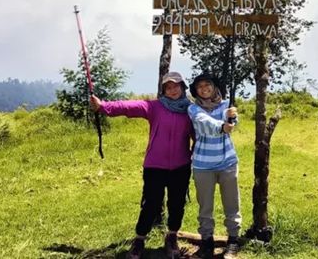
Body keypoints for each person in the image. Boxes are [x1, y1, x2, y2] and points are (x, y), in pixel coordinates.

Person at [90, 71, 194, 259]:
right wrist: (103, 106)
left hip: (181, 166)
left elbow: (199, 135)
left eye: (176, 86)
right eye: (168, 87)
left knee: (177, 204)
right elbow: (129, 107)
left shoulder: (191, 110)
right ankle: (139, 240)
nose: (172, 90)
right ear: (163, 91)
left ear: (183, 87)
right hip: (155, 166)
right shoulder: (154, 107)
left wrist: (196, 152)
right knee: (151, 204)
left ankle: (172, 237)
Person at [187, 74, 241, 259]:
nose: (204, 88)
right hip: (203, 165)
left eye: (207, 84)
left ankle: (233, 242)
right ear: (196, 91)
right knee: (205, 208)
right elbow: (204, 123)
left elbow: (233, 122)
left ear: (214, 87)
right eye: (199, 86)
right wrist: (222, 126)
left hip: (227, 162)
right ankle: (207, 243)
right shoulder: (193, 108)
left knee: (232, 204)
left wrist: (232, 118)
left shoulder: (226, 105)